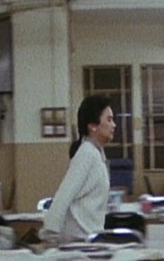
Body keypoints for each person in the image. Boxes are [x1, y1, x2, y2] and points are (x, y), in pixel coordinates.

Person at [39, 95, 116, 243]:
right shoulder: (86, 153)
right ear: (92, 126)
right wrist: (49, 233)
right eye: (109, 120)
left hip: (91, 237)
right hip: (79, 240)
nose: (114, 125)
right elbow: (64, 194)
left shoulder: (97, 153)